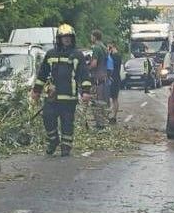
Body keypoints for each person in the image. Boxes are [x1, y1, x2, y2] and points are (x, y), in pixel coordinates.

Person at [32, 24, 93, 156]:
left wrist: (86, 92)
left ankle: (66, 146)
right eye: (64, 37)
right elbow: (42, 74)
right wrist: (36, 91)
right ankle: (53, 140)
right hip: (52, 96)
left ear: (72, 38)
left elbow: (84, 74)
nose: (66, 39)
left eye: (69, 37)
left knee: (67, 122)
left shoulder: (77, 55)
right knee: (48, 118)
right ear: (59, 39)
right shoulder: (50, 54)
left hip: (69, 97)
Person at [88, 29, 109, 128]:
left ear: (95, 37)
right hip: (104, 77)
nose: (90, 38)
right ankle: (103, 123)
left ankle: (99, 125)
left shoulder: (96, 48)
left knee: (96, 102)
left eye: (91, 36)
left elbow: (94, 63)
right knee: (102, 102)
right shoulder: (104, 47)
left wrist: (87, 67)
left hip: (97, 78)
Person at [107, 42, 123, 123]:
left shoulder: (114, 56)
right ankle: (113, 116)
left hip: (113, 79)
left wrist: (109, 54)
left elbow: (111, 67)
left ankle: (113, 117)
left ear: (112, 47)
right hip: (116, 79)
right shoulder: (117, 56)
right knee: (114, 99)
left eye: (108, 47)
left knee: (113, 98)